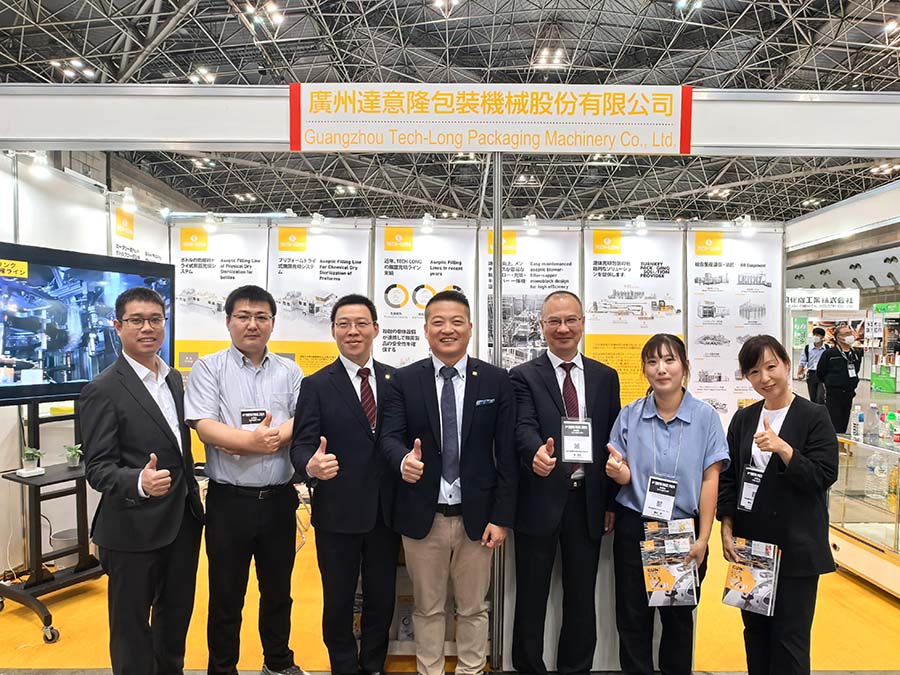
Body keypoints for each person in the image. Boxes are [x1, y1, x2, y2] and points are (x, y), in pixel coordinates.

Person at [380, 289, 518, 675]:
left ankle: (471, 669)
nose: (448, 329)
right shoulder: (404, 380)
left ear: (470, 328)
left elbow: (506, 454)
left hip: (479, 518)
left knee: (473, 608)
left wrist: (501, 517)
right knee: (427, 608)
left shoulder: (495, 380)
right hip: (423, 516)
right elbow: (389, 437)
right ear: (425, 330)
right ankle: (429, 669)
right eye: (438, 322)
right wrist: (403, 460)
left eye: (456, 322)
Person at [81, 287, 204, 675]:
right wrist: (139, 481)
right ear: (118, 327)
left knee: (175, 619)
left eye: (155, 319)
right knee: (131, 630)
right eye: (136, 320)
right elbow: (97, 468)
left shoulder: (173, 379)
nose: (147, 328)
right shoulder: (102, 389)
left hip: (182, 522)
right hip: (132, 529)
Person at [184, 285, 305, 675]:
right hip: (228, 503)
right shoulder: (208, 368)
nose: (252, 324)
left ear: (272, 323)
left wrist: (271, 439)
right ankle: (222, 669)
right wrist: (251, 442)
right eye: (243, 316)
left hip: (279, 501)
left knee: (278, 592)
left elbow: (302, 419)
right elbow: (204, 426)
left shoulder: (290, 371)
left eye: (261, 317)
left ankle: (278, 663)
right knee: (225, 596)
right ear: (228, 321)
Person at [509, 290, 621, 675]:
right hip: (539, 498)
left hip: (587, 500)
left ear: (582, 323)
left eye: (570, 319)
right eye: (554, 321)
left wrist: (610, 501)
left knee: (581, 596)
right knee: (531, 595)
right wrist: (534, 453)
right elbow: (522, 426)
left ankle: (576, 667)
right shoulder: (523, 376)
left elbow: (613, 441)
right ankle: (529, 667)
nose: (563, 328)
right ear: (542, 326)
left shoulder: (606, 377)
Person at [605, 334, 729, 675]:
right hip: (636, 525)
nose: (661, 369)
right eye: (653, 361)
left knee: (677, 622)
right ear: (645, 369)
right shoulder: (630, 415)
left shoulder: (705, 417)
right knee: (632, 618)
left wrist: (703, 538)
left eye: (669, 360)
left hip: (680, 530)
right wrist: (618, 472)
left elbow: (710, 480)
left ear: (685, 367)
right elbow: (623, 469)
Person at [291, 294, 399, 675]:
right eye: (344, 324)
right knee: (337, 602)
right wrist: (310, 464)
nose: (353, 331)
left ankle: (373, 665)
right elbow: (301, 444)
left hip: (386, 513)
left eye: (361, 323)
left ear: (376, 329)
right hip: (337, 512)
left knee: (381, 600)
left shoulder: (395, 381)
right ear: (334, 330)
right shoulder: (317, 385)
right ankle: (343, 667)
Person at [718, 335, 838, 675]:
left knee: (790, 640)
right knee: (756, 634)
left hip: (796, 549)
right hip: (752, 547)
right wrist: (726, 526)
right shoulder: (744, 419)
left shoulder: (814, 415)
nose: (765, 378)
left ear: (786, 364)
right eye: (754, 372)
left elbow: (824, 475)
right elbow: (729, 478)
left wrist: (784, 450)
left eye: (771, 367)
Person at [816, 323, 862, 433]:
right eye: (846, 334)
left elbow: (856, 370)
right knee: (834, 421)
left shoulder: (855, 353)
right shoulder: (829, 354)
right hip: (834, 393)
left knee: (844, 420)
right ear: (839, 338)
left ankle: (841, 440)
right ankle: (834, 441)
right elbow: (820, 372)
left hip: (849, 393)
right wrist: (830, 382)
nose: (850, 336)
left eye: (850, 333)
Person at [796, 327, 826, 403]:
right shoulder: (808, 348)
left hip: (822, 374)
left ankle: (821, 409)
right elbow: (802, 361)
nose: (815, 337)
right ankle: (815, 409)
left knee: (820, 397)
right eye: (814, 334)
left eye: (818, 335)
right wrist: (799, 373)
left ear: (822, 337)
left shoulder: (827, 348)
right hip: (811, 374)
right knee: (813, 397)